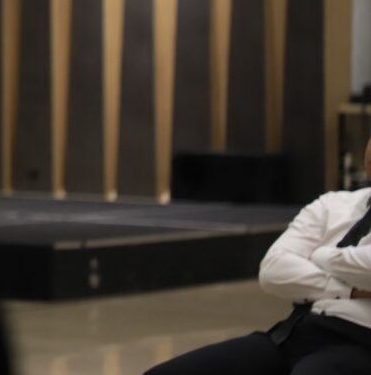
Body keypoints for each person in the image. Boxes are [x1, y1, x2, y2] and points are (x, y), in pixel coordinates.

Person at [145, 136, 371, 374]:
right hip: (295, 333)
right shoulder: (332, 204)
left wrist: (318, 256)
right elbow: (273, 270)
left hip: (361, 341)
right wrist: (348, 290)